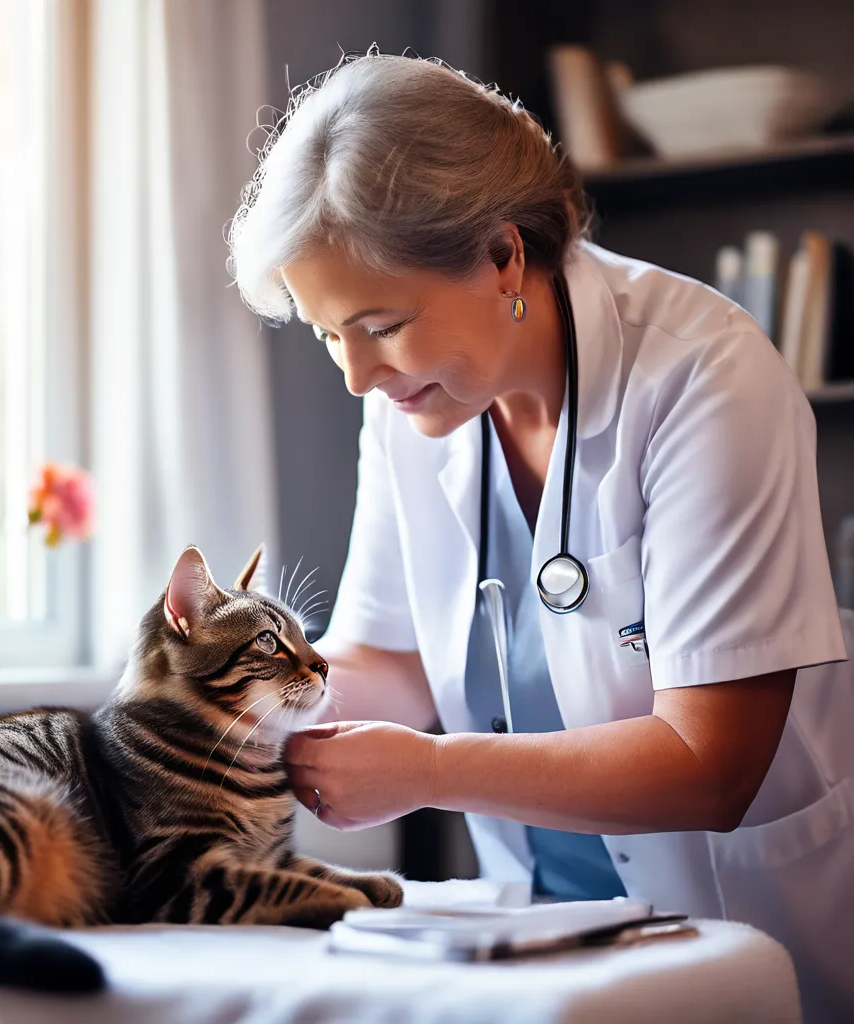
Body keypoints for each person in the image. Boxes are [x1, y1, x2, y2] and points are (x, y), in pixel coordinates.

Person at [228, 52, 852, 1020]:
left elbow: (711, 761)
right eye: (325, 334)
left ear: (502, 256)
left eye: (381, 324)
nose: (356, 375)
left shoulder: (703, 377)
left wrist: (426, 772)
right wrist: (220, 711)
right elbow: (384, 660)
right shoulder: (410, 402)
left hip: (744, 929)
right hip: (545, 938)